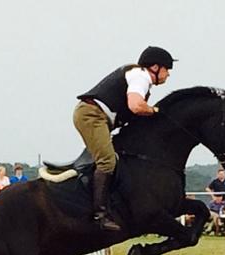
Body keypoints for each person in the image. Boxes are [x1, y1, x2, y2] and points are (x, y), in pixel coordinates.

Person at [74, 46, 176, 231]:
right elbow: (136, 106)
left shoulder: (137, 75)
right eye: (166, 69)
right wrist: (156, 110)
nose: (168, 74)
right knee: (107, 161)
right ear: (155, 67)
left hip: (97, 117)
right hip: (92, 116)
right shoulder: (141, 76)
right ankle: (100, 215)